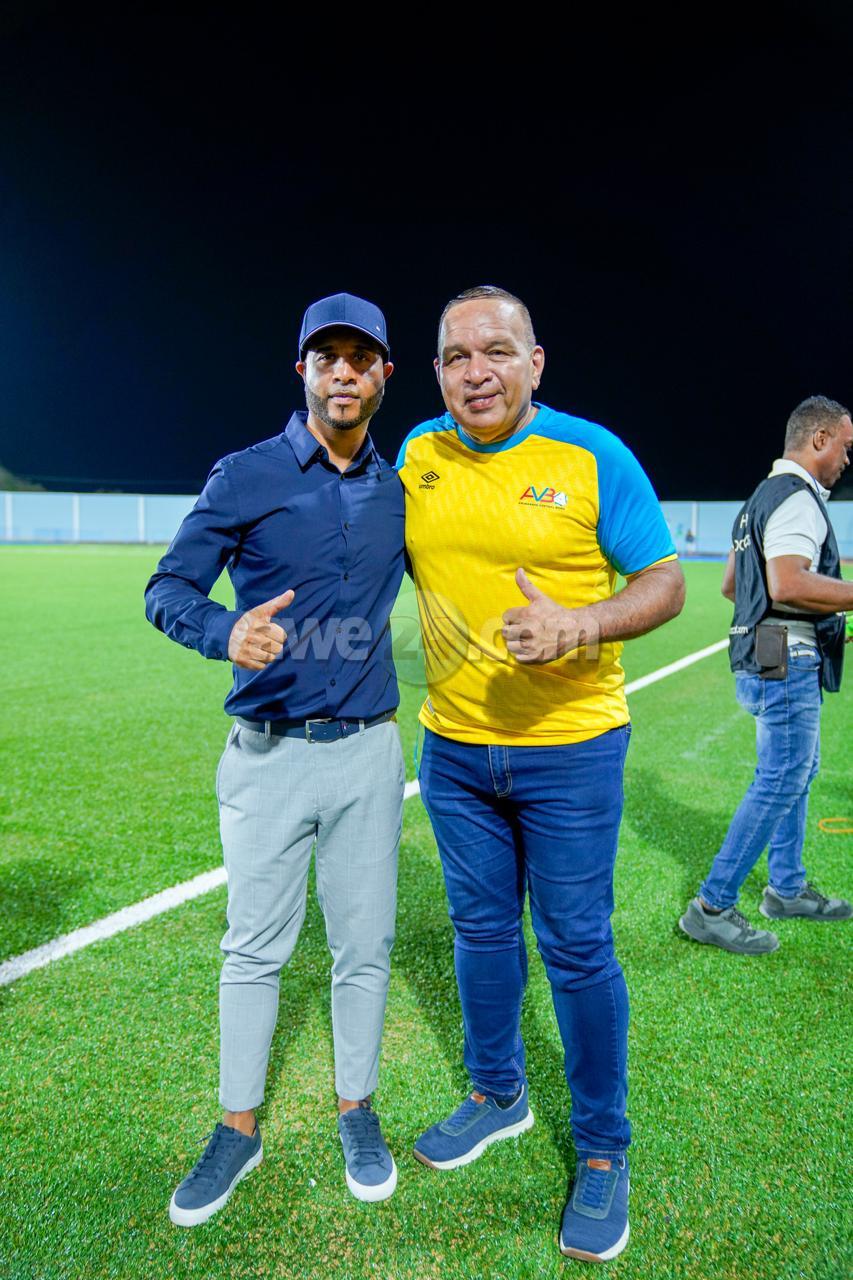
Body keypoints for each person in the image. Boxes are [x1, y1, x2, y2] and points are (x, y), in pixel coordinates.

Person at [395, 285, 685, 1263]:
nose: (475, 372)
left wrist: (581, 623)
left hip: (571, 748)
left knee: (575, 946)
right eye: (454, 356)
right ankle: (497, 1093)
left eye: (495, 351)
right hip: (452, 750)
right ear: (436, 372)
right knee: (479, 931)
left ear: (534, 361)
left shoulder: (592, 454)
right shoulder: (418, 454)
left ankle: (602, 1147)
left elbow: (664, 581)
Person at [144, 292, 406, 1225]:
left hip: (369, 753)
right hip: (267, 756)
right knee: (253, 950)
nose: (343, 373)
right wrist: (224, 631)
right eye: (326, 357)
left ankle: (356, 1111)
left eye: (360, 358)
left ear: (383, 375)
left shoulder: (402, 487)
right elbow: (167, 587)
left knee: (364, 948)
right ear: (302, 370)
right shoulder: (245, 475)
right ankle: (237, 1128)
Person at [679, 396, 853, 955]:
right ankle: (711, 907)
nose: (847, 459)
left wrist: (819, 618)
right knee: (782, 777)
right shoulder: (798, 497)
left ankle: (787, 888)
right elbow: (786, 582)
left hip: (767, 653)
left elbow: (734, 585)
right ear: (819, 439)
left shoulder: (758, 497)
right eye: (845, 447)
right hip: (786, 658)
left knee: (795, 771)